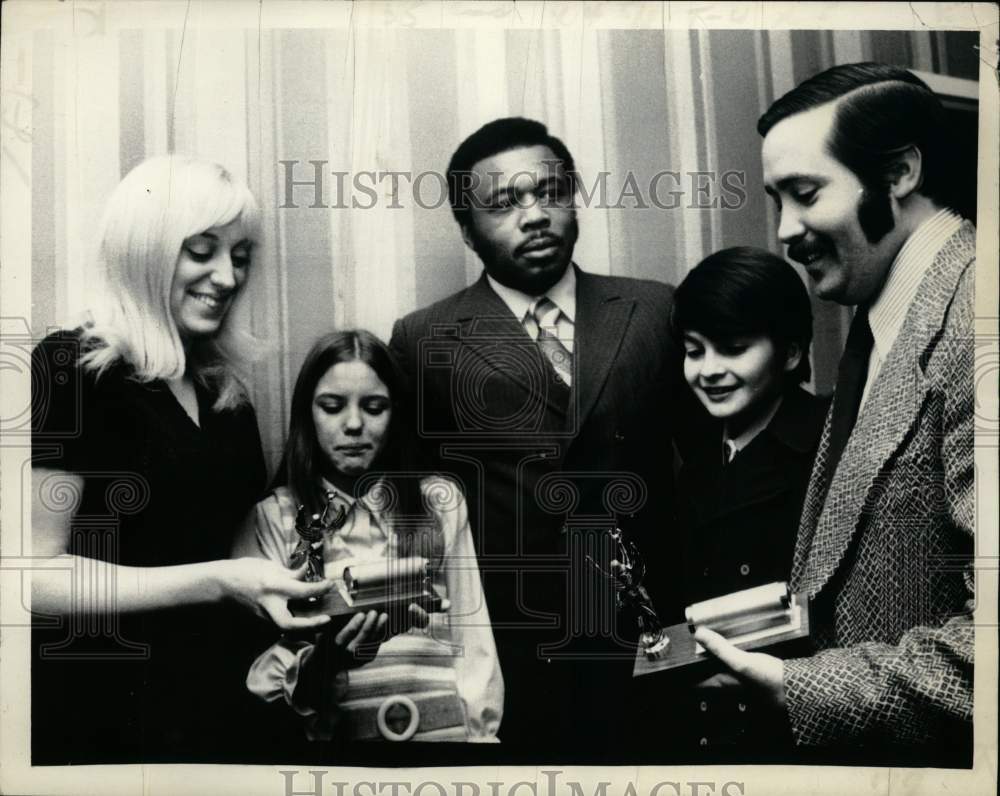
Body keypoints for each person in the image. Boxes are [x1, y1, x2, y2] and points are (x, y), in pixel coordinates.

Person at [693, 63, 975, 756]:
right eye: (776, 200)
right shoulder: (881, 319)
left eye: (806, 193)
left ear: (899, 173)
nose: (786, 230)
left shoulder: (978, 319)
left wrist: (801, 689)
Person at [388, 117, 682, 755]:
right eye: (503, 203)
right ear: (466, 229)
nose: (535, 215)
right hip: (514, 646)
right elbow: (416, 504)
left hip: (651, 632)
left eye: (549, 191)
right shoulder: (424, 338)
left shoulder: (654, 310)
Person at [30, 155, 333, 764]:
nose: (227, 277)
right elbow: (32, 579)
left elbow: (244, 557)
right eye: (202, 251)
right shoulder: (71, 368)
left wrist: (322, 602)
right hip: (104, 708)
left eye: (240, 257)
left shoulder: (227, 397)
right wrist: (217, 582)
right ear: (146, 251)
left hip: (219, 703)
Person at [236, 330, 503, 743]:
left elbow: (474, 639)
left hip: (445, 742)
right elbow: (262, 683)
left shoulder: (439, 502)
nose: (355, 423)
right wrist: (328, 660)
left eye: (374, 407)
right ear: (308, 414)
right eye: (332, 406)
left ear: (395, 414)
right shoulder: (275, 517)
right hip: (341, 754)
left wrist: (482, 741)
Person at [669, 246, 829, 748]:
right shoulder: (695, 456)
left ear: (790, 353)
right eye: (695, 351)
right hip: (708, 726)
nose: (708, 370)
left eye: (733, 348)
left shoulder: (828, 443)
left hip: (795, 721)